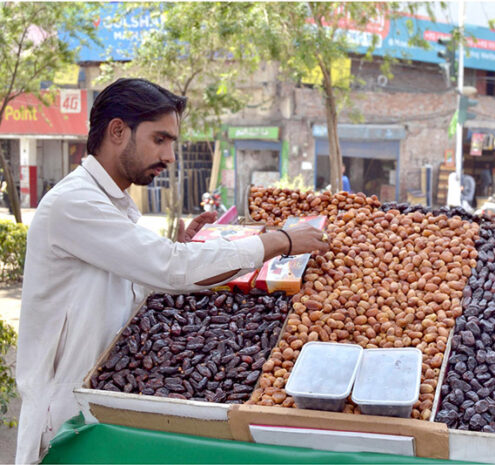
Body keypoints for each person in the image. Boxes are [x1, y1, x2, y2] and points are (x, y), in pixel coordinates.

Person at [15, 78, 329, 464]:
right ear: (117, 131)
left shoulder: (114, 206)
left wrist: (183, 252)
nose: (170, 156)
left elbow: (151, 277)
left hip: (103, 404)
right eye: (159, 139)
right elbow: (171, 269)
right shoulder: (74, 202)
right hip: (63, 416)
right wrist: (279, 241)